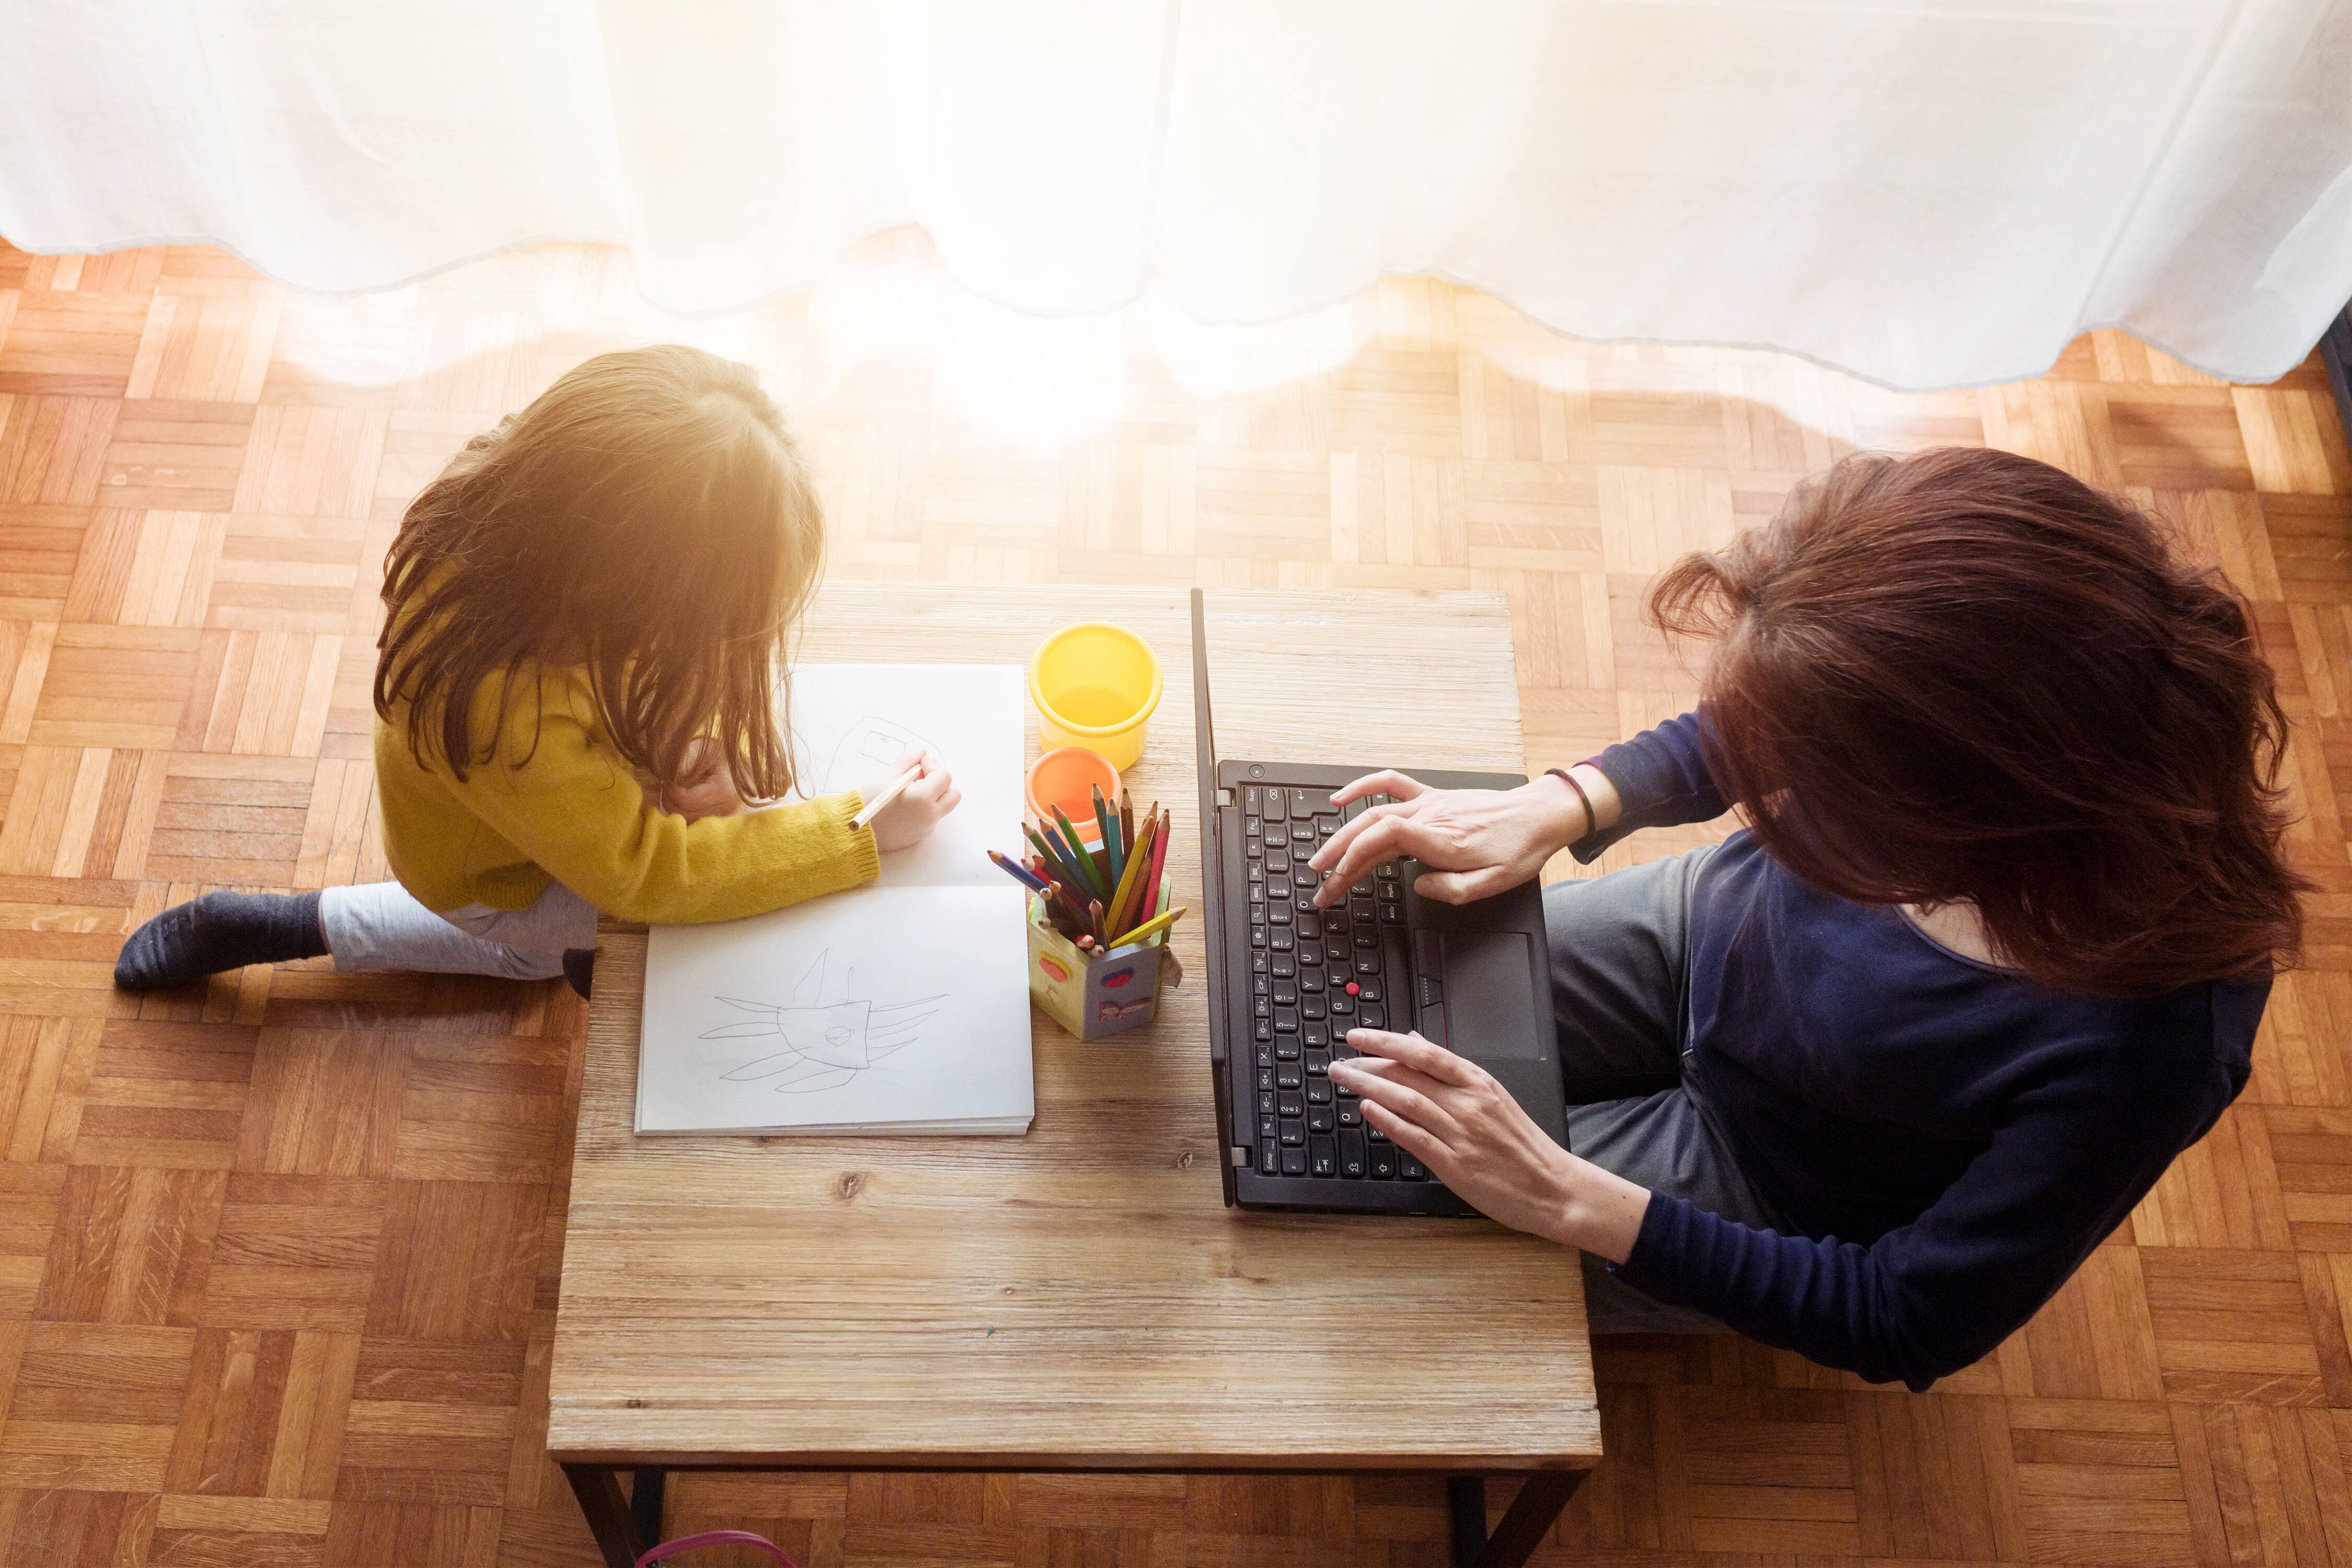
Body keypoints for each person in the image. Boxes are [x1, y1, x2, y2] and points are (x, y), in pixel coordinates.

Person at [1307, 447, 2303, 1391]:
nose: (1778, 801)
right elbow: (1791, 710)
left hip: (1772, 1178)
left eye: (1831, 794)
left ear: (1975, 807)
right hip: (1695, 939)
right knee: (1352, 1011)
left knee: (1381, 1212)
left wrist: (1568, 1198)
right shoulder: (1990, 706)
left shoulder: (2156, 1046)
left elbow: (1907, 1319)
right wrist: (1571, 798)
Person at [114, 345, 958, 996]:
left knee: (591, 926)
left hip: (528, 808)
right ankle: (293, 924)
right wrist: (857, 834)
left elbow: (618, 714)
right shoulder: (511, 713)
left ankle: (312, 922)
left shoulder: (523, 504)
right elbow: (646, 878)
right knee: (553, 955)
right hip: (488, 878)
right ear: (632, 591)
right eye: (714, 624)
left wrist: (674, 745)